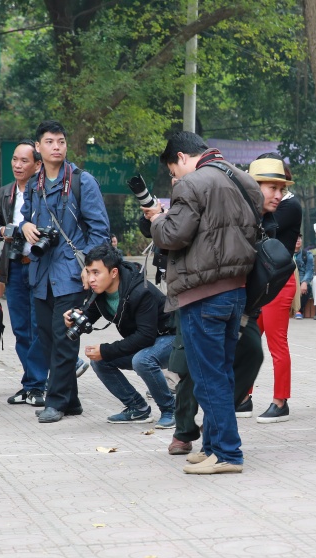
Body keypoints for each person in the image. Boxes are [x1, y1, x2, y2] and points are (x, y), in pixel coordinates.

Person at [149, 131, 260, 475]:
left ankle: (227, 453)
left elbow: (173, 235)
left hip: (202, 292)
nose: (174, 178)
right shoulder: (243, 178)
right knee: (221, 372)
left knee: (207, 376)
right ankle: (212, 446)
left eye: (173, 170)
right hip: (236, 291)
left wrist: (156, 219)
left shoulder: (192, 184)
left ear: (182, 157)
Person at [18, 120, 111, 423]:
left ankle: (56, 402)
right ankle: (71, 401)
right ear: (38, 147)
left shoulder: (83, 181)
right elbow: (25, 218)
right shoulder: (34, 183)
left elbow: (100, 229)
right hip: (41, 273)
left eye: (61, 141)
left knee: (64, 337)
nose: (56, 147)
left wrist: (91, 269)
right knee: (46, 338)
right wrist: (26, 226)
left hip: (72, 273)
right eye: (49, 141)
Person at [67, 242, 176, 427]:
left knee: (142, 360)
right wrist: (74, 318)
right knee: (100, 361)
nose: (91, 279)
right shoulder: (100, 291)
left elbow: (145, 337)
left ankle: (171, 411)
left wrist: (106, 349)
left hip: (171, 338)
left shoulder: (141, 291)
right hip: (147, 341)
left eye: (96, 272)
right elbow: (89, 316)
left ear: (114, 272)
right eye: (88, 272)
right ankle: (138, 408)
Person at [0, 140, 49, 407]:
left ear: (38, 164)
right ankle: (32, 383)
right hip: (13, 267)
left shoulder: (47, 192)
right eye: (14, 159)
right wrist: (5, 231)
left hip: (39, 266)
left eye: (24, 160)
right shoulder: (4, 193)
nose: (17, 165)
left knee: (39, 328)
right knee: (21, 330)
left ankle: (37, 384)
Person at [247, 156, 302, 423]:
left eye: (280, 187)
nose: (277, 194)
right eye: (272, 188)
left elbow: (264, 226)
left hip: (279, 281)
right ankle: (243, 397)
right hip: (260, 282)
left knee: (276, 344)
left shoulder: (289, 206)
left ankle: (281, 401)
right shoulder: (265, 207)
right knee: (246, 341)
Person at [294, 236, 313, 319]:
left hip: (301, 280)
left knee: (307, 287)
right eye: (296, 238)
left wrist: (305, 282)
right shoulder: (286, 254)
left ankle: (299, 310)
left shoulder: (307, 255)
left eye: (299, 238)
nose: (298, 240)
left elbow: (309, 270)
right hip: (289, 280)